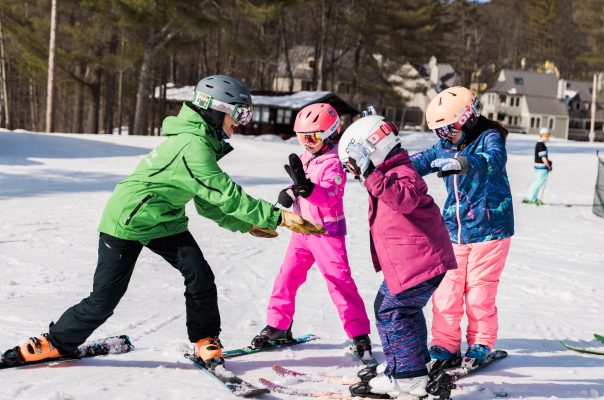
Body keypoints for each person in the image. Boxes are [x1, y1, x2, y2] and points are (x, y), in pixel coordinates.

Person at [4, 75, 324, 367]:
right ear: (216, 110)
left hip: (164, 220)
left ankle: (204, 339)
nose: (240, 123)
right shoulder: (192, 146)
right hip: (127, 221)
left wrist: (248, 225)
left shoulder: (200, 144)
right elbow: (224, 193)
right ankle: (55, 342)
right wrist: (274, 216)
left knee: (199, 275)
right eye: (239, 114)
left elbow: (208, 203)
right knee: (103, 300)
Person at [339, 115, 457, 397]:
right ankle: (409, 364)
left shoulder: (402, 173)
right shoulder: (392, 172)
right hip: (415, 261)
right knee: (401, 309)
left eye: (354, 164)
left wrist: (370, 174)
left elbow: (403, 199)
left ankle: (408, 377)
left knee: (391, 310)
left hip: (421, 261)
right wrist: (370, 174)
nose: (356, 173)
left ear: (371, 150)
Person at [251, 103, 372, 357]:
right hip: (302, 229)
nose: (306, 143)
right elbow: (300, 182)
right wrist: (290, 191)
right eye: (301, 137)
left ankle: (359, 334)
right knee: (287, 278)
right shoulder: (309, 156)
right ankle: (278, 326)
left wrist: (307, 189)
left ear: (329, 133)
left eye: (312, 137)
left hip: (326, 232)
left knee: (339, 282)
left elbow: (329, 196)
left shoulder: (335, 162)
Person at [410, 86, 514, 366]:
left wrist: (464, 163)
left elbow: (495, 159)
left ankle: (480, 342)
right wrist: (380, 167)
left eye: (448, 129)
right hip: (453, 232)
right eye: (439, 131)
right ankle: (444, 344)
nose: (444, 136)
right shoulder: (444, 147)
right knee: (447, 289)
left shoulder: (489, 137)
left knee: (480, 290)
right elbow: (416, 163)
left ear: (468, 117)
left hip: (490, 230)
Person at [523, 127, 553, 205]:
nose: (547, 137)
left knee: (539, 181)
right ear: (542, 135)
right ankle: (530, 197)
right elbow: (543, 157)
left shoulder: (540, 143)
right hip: (541, 166)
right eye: (546, 135)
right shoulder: (541, 144)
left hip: (539, 166)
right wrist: (548, 165)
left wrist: (548, 163)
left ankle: (532, 197)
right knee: (539, 182)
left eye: (548, 135)